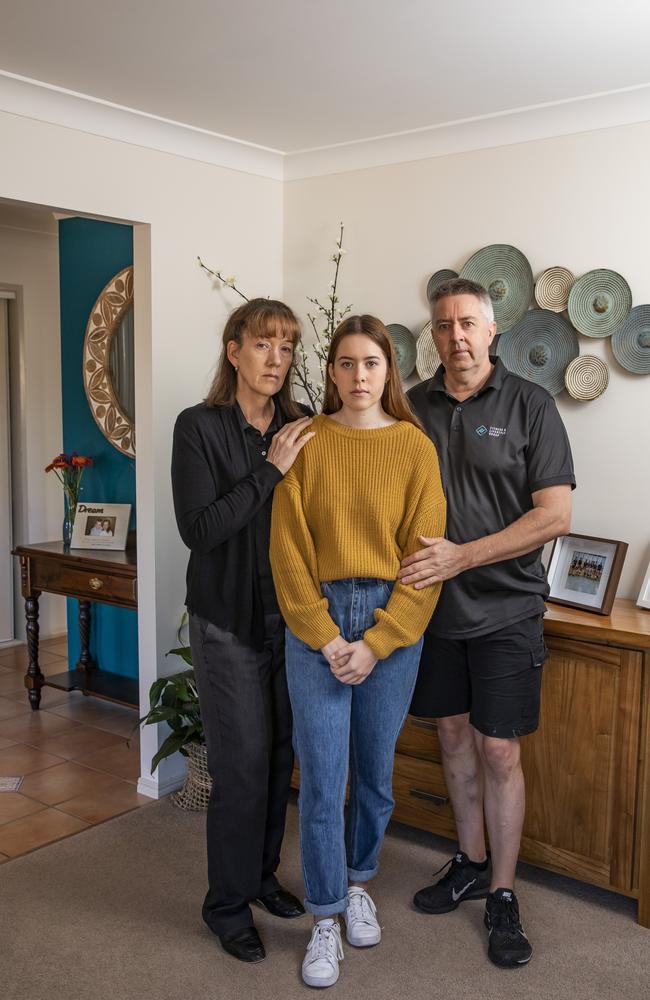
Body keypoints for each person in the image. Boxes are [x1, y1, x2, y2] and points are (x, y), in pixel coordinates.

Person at [401, 277, 575, 969]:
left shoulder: (532, 405)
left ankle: (503, 892)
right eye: (444, 326)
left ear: (493, 330)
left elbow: (554, 516)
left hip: (506, 608)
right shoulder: (410, 407)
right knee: (450, 737)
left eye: (468, 323)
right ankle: (469, 862)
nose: (457, 337)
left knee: (499, 750)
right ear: (433, 335)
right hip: (429, 610)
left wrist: (462, 556)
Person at [270, 315, 446, 988]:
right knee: (321, 780)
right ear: (332, 371)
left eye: (371, 363)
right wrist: (326, 636)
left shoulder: (413, 447)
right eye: (345, 363)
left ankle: (360, 880)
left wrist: (373, 642)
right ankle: (324, 917)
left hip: (390, 623)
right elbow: (287, 551)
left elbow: (424, 562)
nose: (358, 376)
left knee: (372, 775)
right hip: (316, 617)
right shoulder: (306, 443)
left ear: (388, 371)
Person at [171, 298, 315, 964]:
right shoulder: (198, 427)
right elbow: (200, 529)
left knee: (280, 758)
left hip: (289, 619)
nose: (276, 361)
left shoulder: (300, 426)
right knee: (242, 766)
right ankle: (224, 905)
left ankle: (260, 879)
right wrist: (269, 472)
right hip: (226, 619)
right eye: (263, 346)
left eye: (286, 348)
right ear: (234, 350)